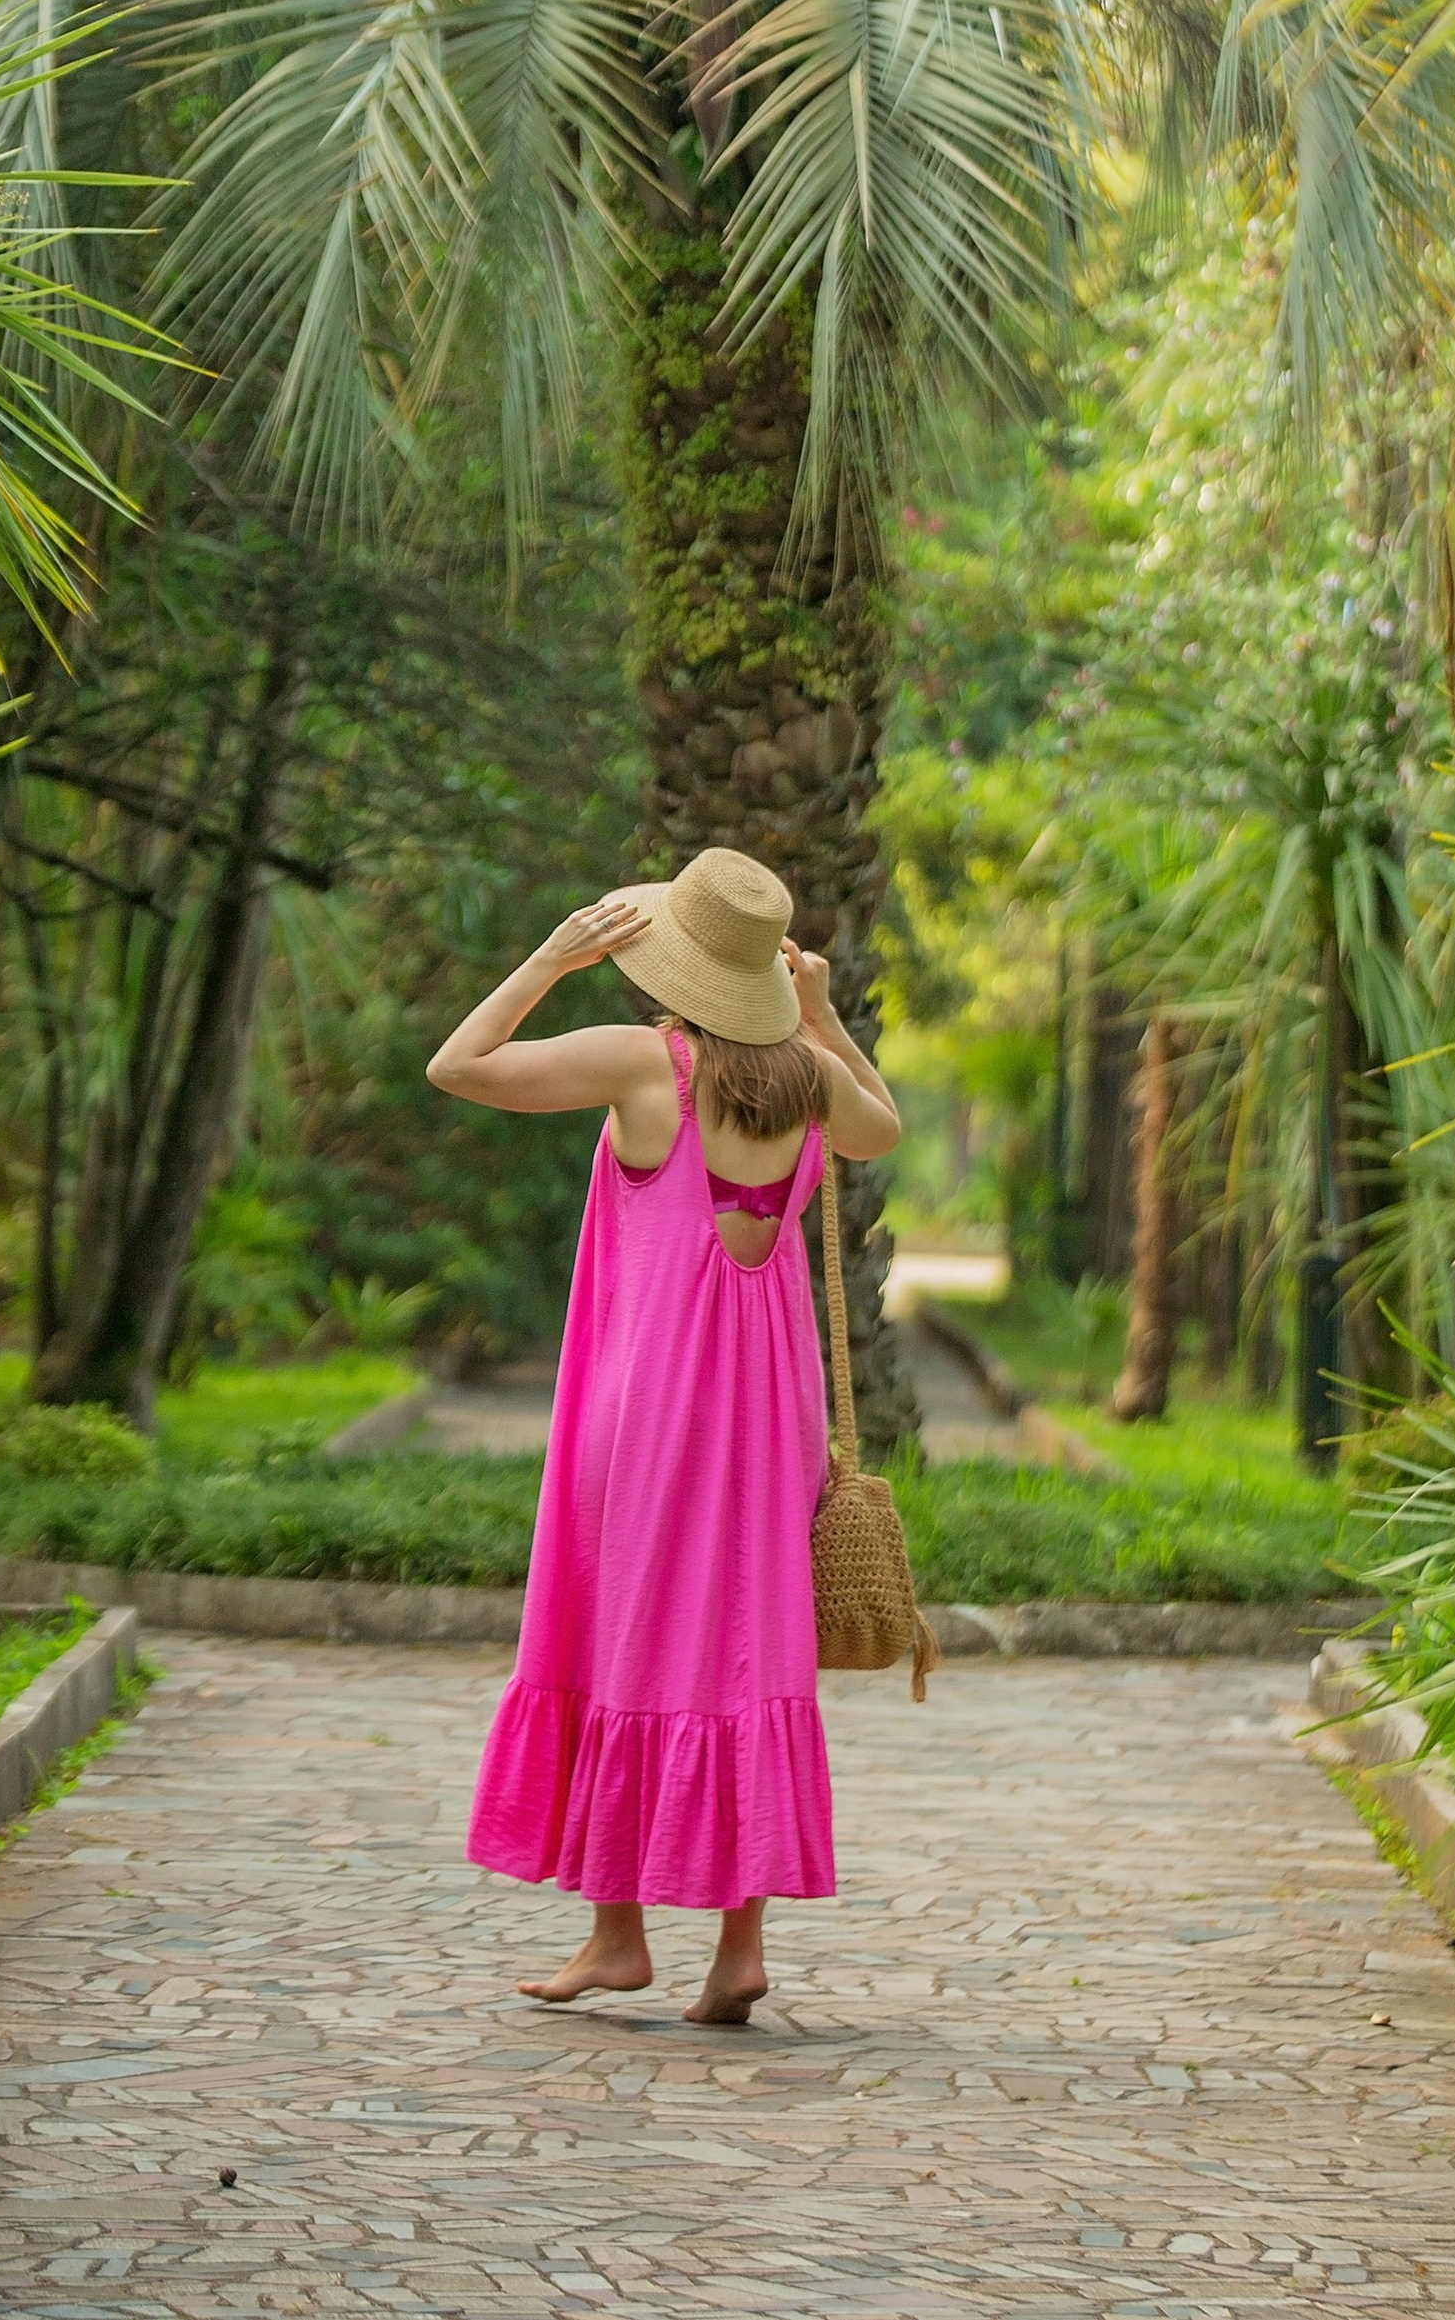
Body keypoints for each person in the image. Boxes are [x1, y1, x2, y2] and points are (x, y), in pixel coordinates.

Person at [426, 845, 900, 2025]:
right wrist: (825, 1017)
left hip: (647, 1409)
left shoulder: (649, 1064)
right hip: (766, 1411)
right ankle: (737, 1951)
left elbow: (458, 1065)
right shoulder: (805, 1083)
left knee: (618, 1628)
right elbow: (881, 1129)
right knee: (750, 1641)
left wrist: (550, 956)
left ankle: (617, 1934)